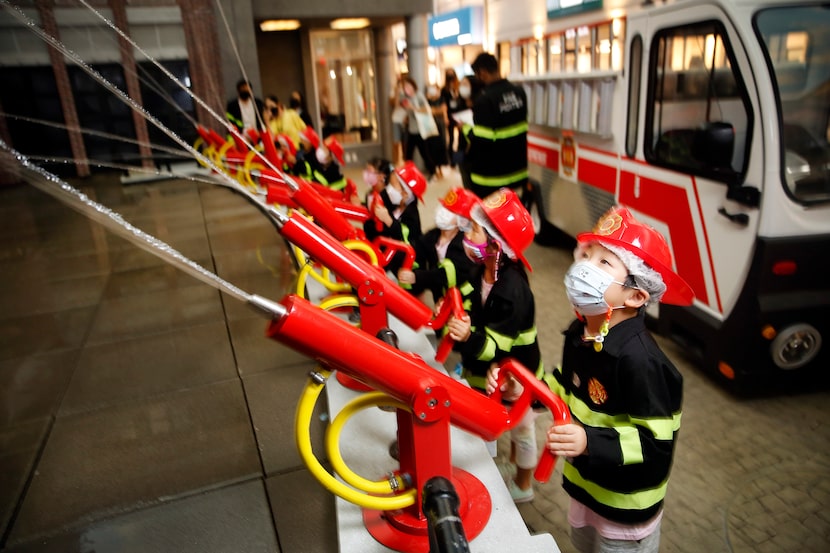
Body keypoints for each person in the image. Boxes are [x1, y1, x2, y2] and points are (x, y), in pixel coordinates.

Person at [487, 205, 695, 552]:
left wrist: (589, 442)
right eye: (588, 256)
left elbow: (655, 445)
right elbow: (565, 385)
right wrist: (525, 390)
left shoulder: (642, 362)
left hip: (623, 508)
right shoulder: (582, 332)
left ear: (636, 295)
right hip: (586, 488)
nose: (585, 266)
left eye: (604, 262)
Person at [444, 187, 542, 503]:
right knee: (490, 419)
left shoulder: (513, 290)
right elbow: (471, 303)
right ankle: (497, 467)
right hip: (488, 370)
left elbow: (495, 349)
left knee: (523, 429)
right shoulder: (481, 270)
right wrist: (462, 317)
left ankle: (524, 486)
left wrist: (467, 336)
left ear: (496, 245)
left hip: (517, 375)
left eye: (476, 229)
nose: (467, 232)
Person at [397, 187, 479, 304]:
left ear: (463, 220)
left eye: (450, 211)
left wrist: (418, 277)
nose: (442, 212)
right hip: (440, 296)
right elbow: (417, 249)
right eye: (444, 207)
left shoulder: (465, 245)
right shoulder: (433, 236)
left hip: (463, 300)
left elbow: (447, 274)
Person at [467, 53, 528, 198]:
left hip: (493, 178)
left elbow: (482, 139)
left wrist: (465, 129)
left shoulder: (484, 100)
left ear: (482, 73)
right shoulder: (519, 92)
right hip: (519, 171)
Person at [363, 160, 425, 276]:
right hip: (381, 250)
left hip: (403, 263)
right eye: (389, 185)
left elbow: (405, 239)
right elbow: (370, 226)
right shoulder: (386, 198)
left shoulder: (412, 214)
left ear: (406, 194)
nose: (388, 189)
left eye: (393, 187)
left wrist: (389, 221)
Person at [400, 76, 438, 179]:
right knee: (408, 155)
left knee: (424, 153)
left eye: (408, 86)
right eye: (405, 87)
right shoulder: (405, 98)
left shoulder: (419, 96)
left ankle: (433, 171)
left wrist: (413, 108)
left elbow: (426, 110)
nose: (406, 88)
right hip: (411, 130)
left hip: (420, 130)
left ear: (413, 86)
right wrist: (406, 117)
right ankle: (408, 174)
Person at [440, 68, 463, 167]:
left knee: (461, 138)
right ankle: (452, 161)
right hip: (450, 115)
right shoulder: (444, 90)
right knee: (452, 138)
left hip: (459, 115)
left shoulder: (458, 87)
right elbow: (443, 104)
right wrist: (445, 117)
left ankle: (459, 159)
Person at [426, 83, 449, 179]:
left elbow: (442, 110)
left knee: (440, 147)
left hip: (440, 126)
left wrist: (435, 110)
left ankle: (440, 169)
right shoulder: (427, 101)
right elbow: (427, 110)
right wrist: (435, 110)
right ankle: (434, 170)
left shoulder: (441, 99)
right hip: (430, 126)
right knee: (431, 147)